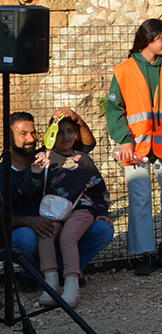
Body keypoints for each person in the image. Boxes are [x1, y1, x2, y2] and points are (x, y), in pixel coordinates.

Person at [106, 19, 162, 276]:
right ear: (148, 39)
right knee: (139, 199)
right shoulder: (124, 70)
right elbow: (114, 110)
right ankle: (144, 254)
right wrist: (125, 140)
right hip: (136, 146)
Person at [8, 110, 114, 293]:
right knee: (32, 237)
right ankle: (38, 274)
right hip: (43, 220)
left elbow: (97, 184)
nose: (30, 138)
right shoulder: (37, 161)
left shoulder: (75, 157)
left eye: (32, 133)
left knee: (96, 231)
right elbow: (24, 192)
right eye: (22, 134)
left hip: (72, 212)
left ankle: (67, 274)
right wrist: (29, 220)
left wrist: (102, 211)